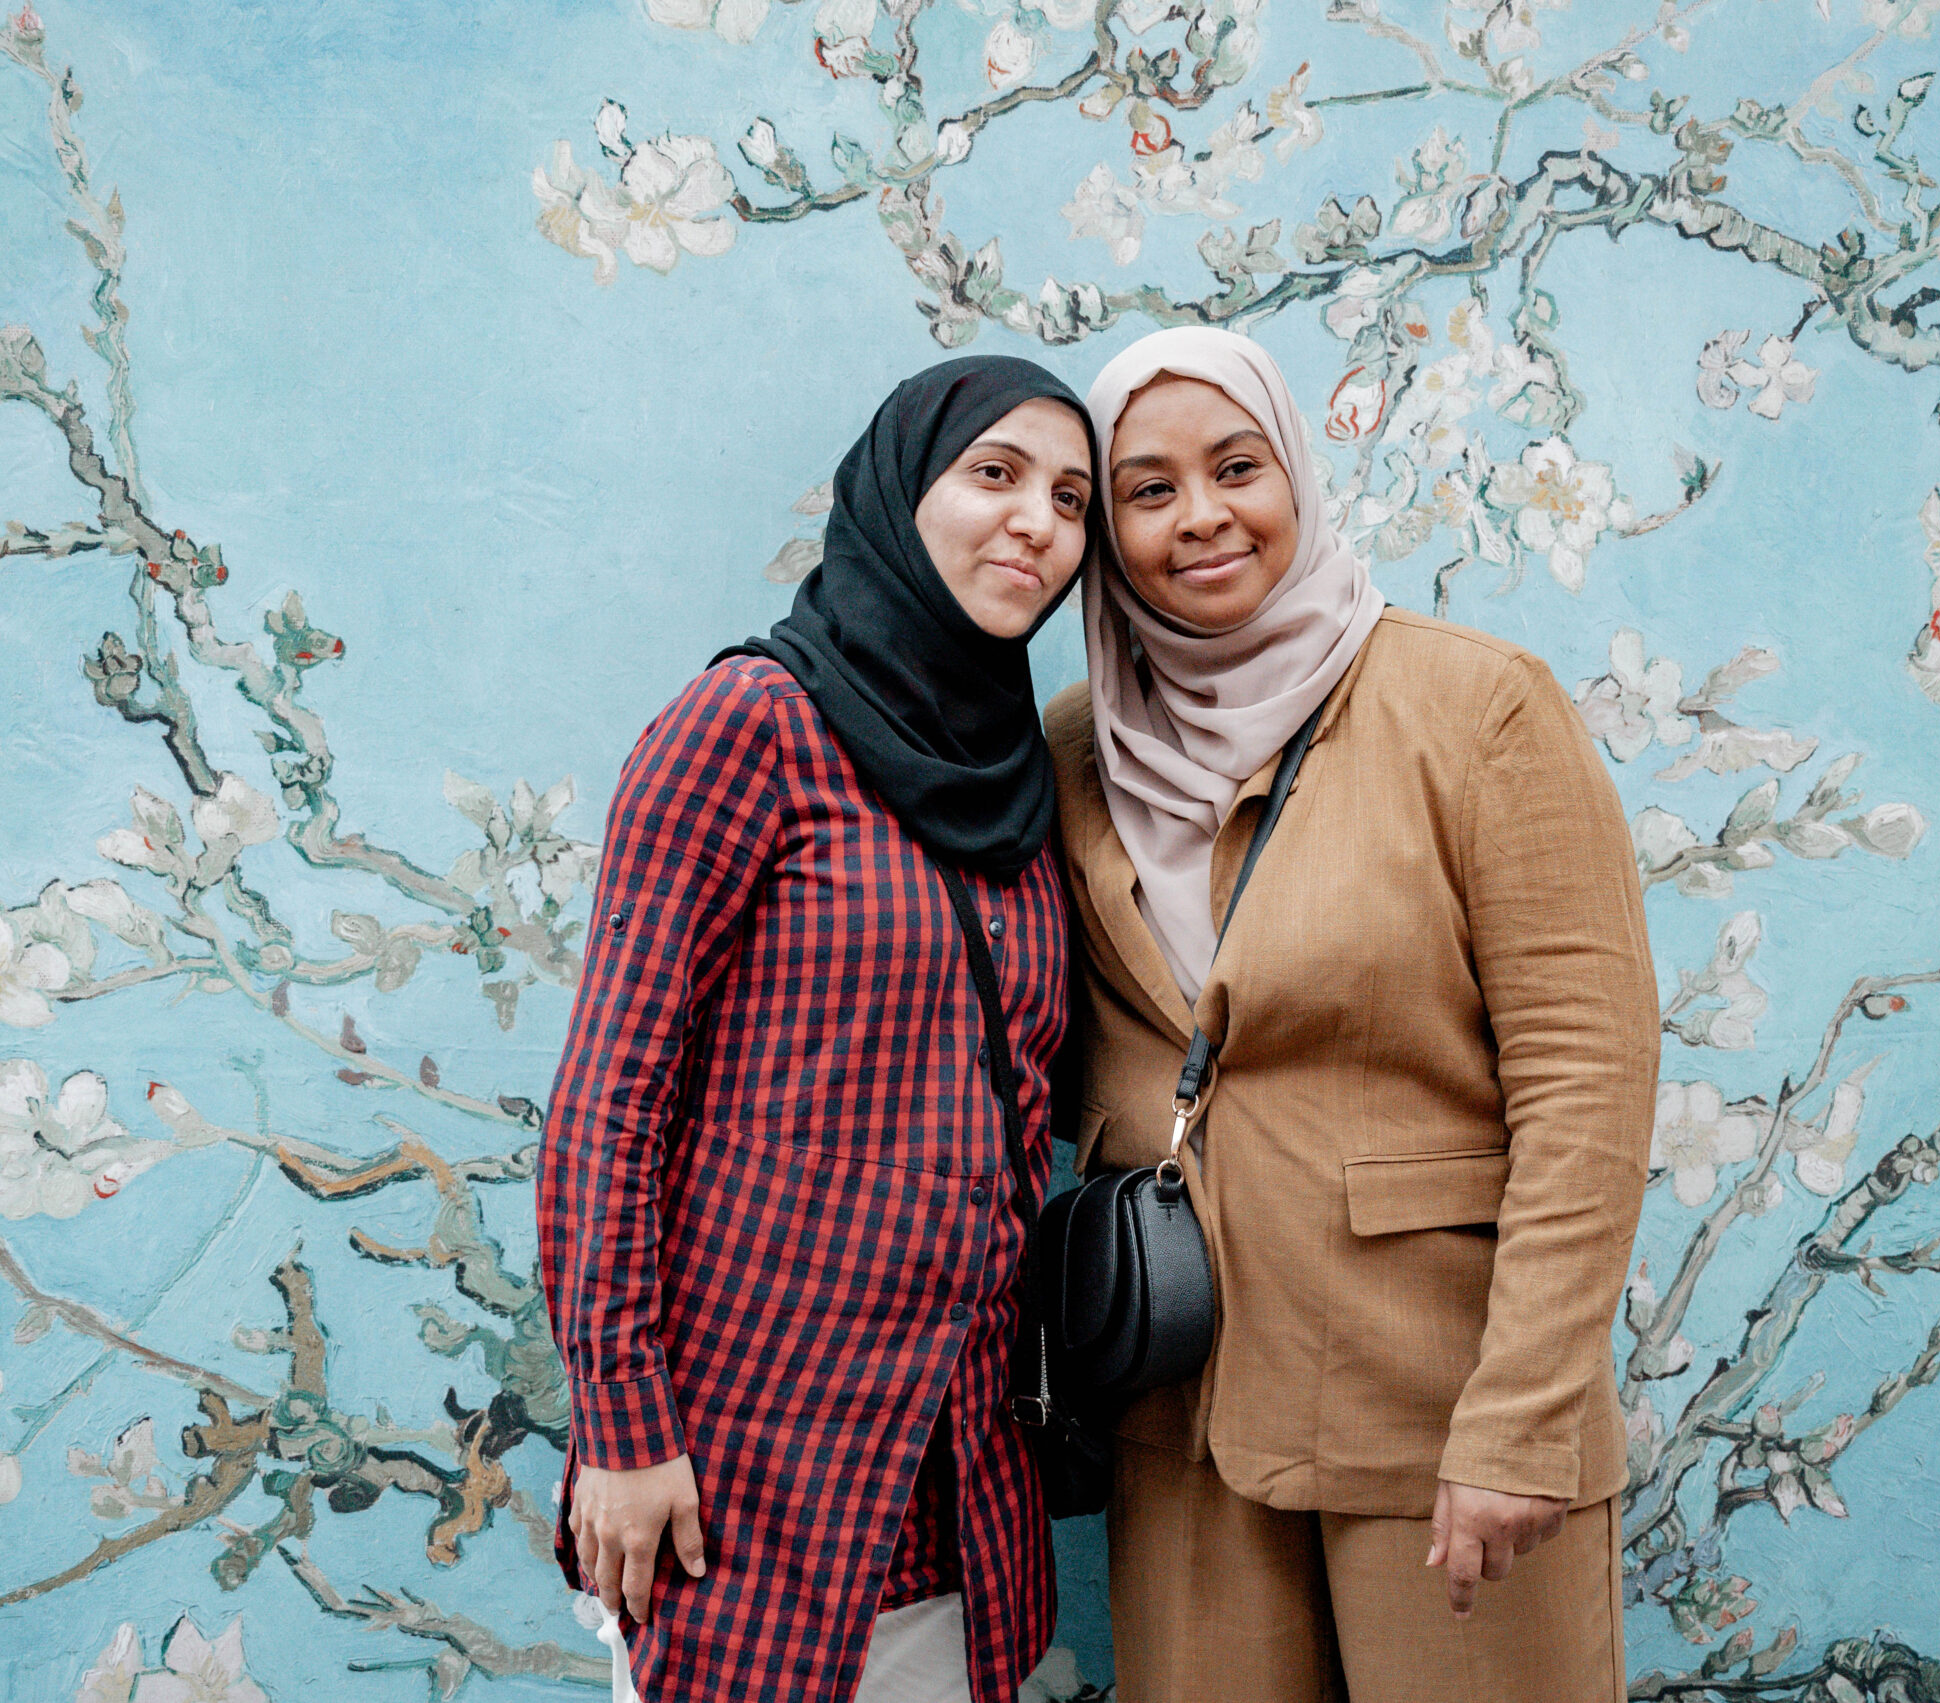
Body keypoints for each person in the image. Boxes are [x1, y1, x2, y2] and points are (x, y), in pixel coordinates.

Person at [1045, 327, 1655, 1703]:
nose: (1201, 516)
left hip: (1434, 1404)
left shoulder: (1475, 709)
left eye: (1237, 468)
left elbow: (1587, 1088)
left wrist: (1522, 1420)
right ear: (1109, 535)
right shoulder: (1078, 751)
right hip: (1180, 1417)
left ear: (1297, 478)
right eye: (1147, 490)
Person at [539, 356, 1101, 1703]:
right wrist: (620, 1426)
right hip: (750, 1464)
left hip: (961, 1479)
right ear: (902, 494)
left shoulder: (1020, 789)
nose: (1036, 521)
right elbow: (612, 1100)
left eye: (1072, 499)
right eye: (997, 473)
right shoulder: (752, 726)